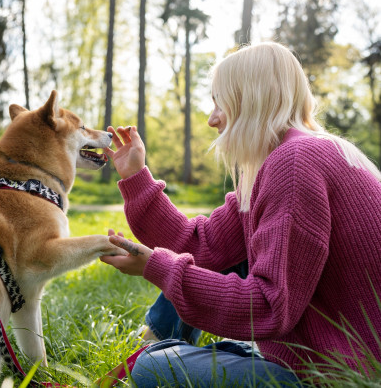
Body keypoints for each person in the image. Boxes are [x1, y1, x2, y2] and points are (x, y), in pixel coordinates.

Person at [99, 41, 381, 387]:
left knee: (149, 369)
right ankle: (162, 343)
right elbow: (199, 244)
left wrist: (154, 267)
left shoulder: (295, 163)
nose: (212, 119)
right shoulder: (286, 157)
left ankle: (161, 349)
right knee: (164, 347)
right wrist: (135, 175)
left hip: (339, 375)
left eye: (219, 102)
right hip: (324, 350)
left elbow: (269, 306)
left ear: (250, 99)